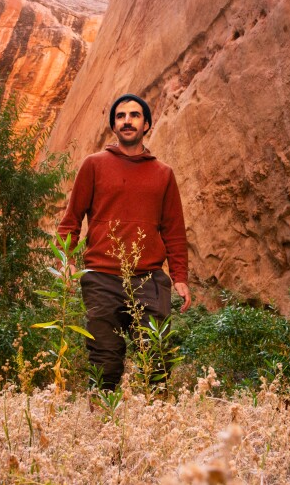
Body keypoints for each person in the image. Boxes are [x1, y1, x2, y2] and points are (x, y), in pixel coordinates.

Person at [58, 93, 191, 391]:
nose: (127, 121)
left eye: (134, 115)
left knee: (157, 357)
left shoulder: (163, 174)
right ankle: (103, 424)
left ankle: (156, 426)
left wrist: (180, 276)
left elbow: (174, 230)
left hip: (149, 279)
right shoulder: (93, 165)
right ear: (114, 126)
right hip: (101, 278)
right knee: (105, 358)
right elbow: (71, 221)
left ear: (146, 125)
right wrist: (66, 262)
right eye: (120, 116)